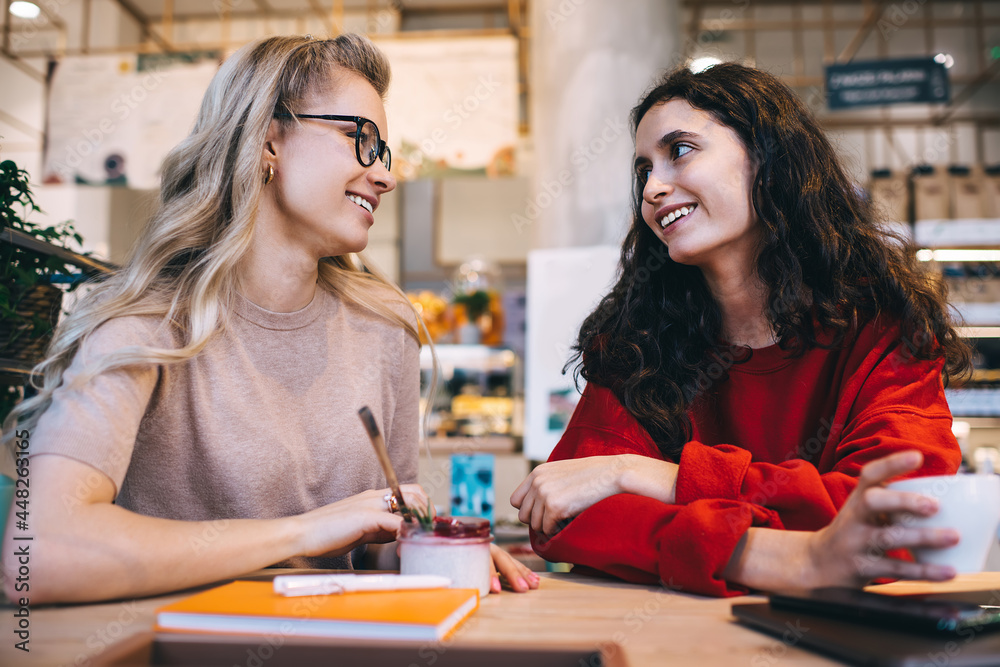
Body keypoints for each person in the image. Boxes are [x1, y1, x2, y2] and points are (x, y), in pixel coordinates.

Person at [1, 34, 537, 604]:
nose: (385, 176)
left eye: (382, 151)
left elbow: (382, 536)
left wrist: (431, 544)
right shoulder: (147, 325)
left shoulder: (385, 325)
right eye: (361, 138)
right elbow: (36, 554)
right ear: (267, 140)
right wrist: (304, 532)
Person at [510, 62, 971, 597]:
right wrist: (768, 555)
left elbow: (906, 508)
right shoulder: (637, 339)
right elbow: (563, 514)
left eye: (679, 150)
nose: (654, 188)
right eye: (643, 171)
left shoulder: (882, 327)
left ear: (768, 158)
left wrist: (653, 477)